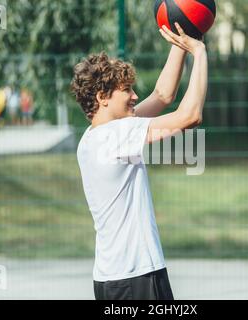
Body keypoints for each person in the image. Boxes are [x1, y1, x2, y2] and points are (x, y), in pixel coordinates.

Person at [71, 23, 207, 300]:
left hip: (115, 278)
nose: (135, 96)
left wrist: (179, 42)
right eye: (127, 90)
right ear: (102, 98)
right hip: (135, 277)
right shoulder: (115, 135)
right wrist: (200, 53)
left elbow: (162, 96)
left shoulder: (93, 136)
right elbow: (190, 115)